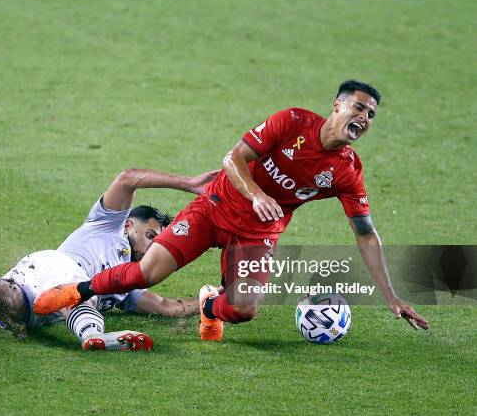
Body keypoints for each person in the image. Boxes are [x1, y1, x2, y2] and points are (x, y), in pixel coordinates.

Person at [34, 80, 430, 341]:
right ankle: (74, 291)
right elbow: (233, 158)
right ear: (337, 105)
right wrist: (256, 193)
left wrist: (391, 295)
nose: (364, 118)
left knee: (244, 310)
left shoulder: (347, 172)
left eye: (371, 115)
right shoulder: (291, 121)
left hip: (257, 235)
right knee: (147, 273)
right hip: (213, 208)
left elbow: (365, 234)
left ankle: (210, 304)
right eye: (359, 108)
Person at [0, 167, 218, 350]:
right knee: (82, 290)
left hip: (38, 291)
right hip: (59, 265)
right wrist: (188, 183)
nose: (153, 248)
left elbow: (165, 306)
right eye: (151, 236)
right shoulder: (107, 224)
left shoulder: (130, 280)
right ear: (129, 226)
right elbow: (128, 178)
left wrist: (213, 303)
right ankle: (92, 335)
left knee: (7, 303)